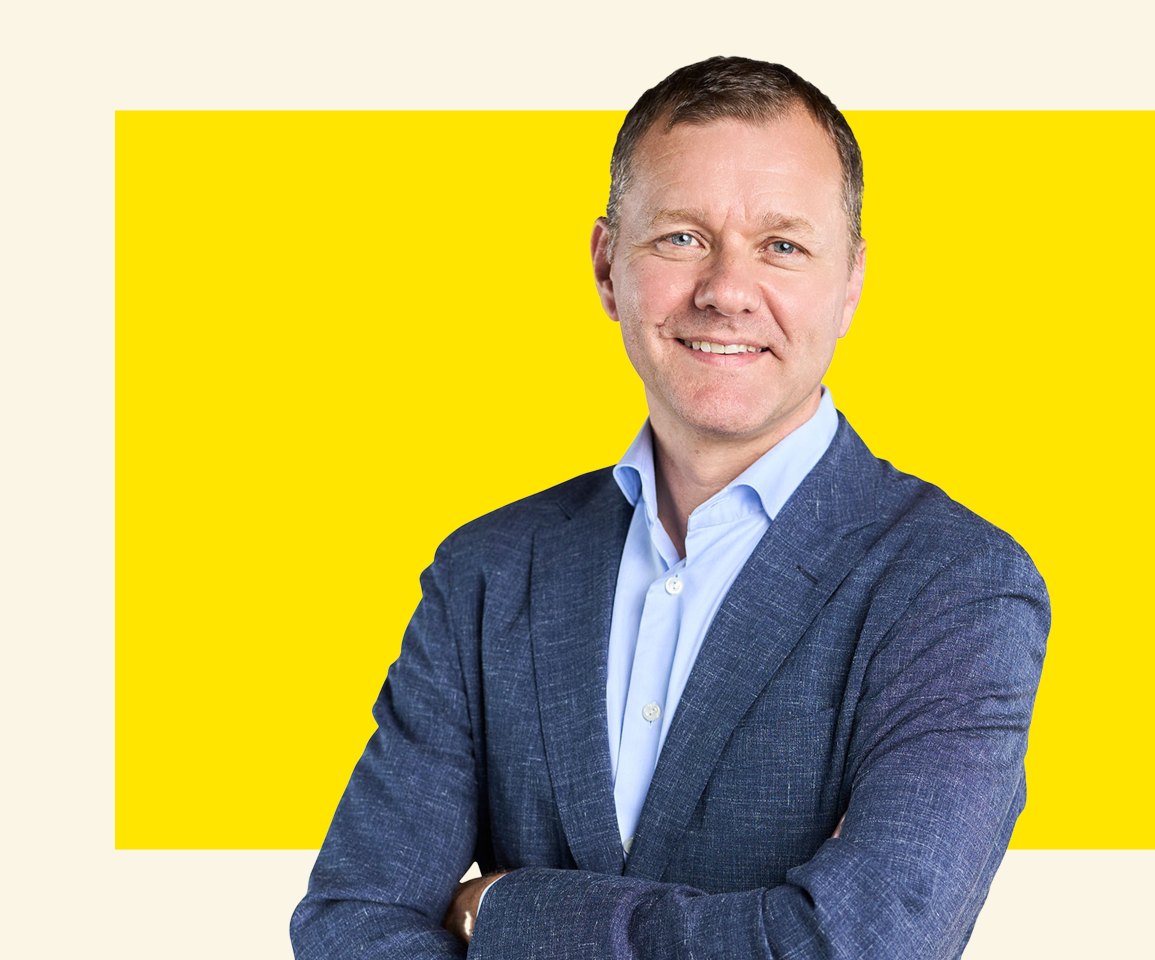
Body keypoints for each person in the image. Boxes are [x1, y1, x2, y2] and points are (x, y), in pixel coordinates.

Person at [291, 56, 1049, 959]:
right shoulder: (487, 574)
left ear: (850, 281)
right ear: (607, 267)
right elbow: (349, 923)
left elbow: (858, 945)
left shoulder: (956, 587)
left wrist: (499, 911)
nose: (726, 290)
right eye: (683, 238)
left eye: (782, 246)